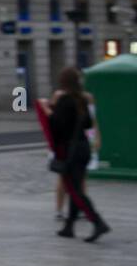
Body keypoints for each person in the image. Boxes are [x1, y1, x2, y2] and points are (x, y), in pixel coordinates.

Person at [41, 66, 110, 243]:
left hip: (70, 151)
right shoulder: (81, 99)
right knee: (75, 187)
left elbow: (56, 124)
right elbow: (87, 124)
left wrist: (46, 109)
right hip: (82, 148)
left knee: (75, 190)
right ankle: (69, 227)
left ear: (63, 82)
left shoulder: (65, 100)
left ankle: (98, 222)